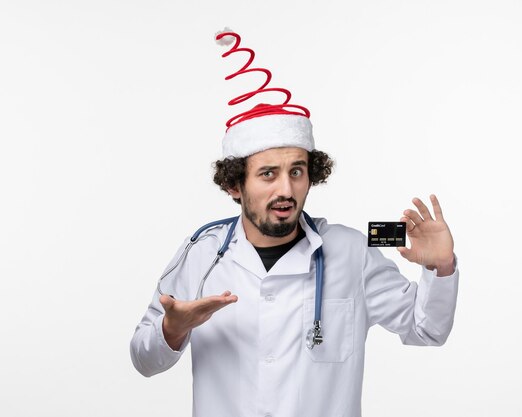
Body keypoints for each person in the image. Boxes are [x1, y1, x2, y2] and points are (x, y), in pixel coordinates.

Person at [130, 30, 459, 417]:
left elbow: (427, 330)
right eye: (268, 174)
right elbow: (144, 359)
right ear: (235, 184)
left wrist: (441, 267)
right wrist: (173, 329)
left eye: (297, 172)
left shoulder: (352, 251)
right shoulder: (203, 254)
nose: (286, 189)